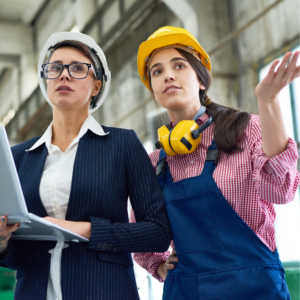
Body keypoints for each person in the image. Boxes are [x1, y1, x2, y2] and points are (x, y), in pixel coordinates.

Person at [130, 26, 300, 299]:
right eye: (157, 71)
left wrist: (267, 102)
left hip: (255, 288)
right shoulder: (153, 164)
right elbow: (140, 234)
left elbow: (281, 189)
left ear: (201, 79)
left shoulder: (244, 130)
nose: (168, 75)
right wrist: (159, 266)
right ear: (153, 90)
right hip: (186, 290)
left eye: (179, 65)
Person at [0, 32, 172, 300]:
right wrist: (2, 240)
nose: (64, 75)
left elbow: (158, 232)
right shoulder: (18, 156)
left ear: (96, 86)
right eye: (55, 68)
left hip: (104, 290)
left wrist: (84, 229)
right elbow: (15, 258)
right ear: (46, 80)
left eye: (78, 68)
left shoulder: (122, 144)